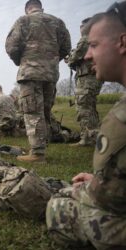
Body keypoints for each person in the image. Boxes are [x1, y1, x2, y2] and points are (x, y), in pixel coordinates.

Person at [46, 2, 126, 249]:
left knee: (58, 207)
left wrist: (92, 187)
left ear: (122, 43)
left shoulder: (121, 117)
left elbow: (105, 199)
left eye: (93, 45)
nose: (88, 54)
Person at [5, 0, 71, 163]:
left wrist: (20, 61)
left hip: (30, 72)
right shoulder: (58, 22)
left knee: (33, 111)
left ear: (28, 9)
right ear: (41, 7)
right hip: (50, 74)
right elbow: (66, 47)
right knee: (45, 111)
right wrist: (52, 61)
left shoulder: (23, 20)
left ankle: (38, 153)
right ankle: (41, 146)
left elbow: (11, 46)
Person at [67, 18, 104, 147]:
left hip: (87, 78)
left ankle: (89, 139)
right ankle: (94, 136)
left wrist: (70, 59)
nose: (81, 29)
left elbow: (74, 57)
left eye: (82, 27)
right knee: (90, 107)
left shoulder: (86, 39)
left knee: (83, 108)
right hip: (93, 77)